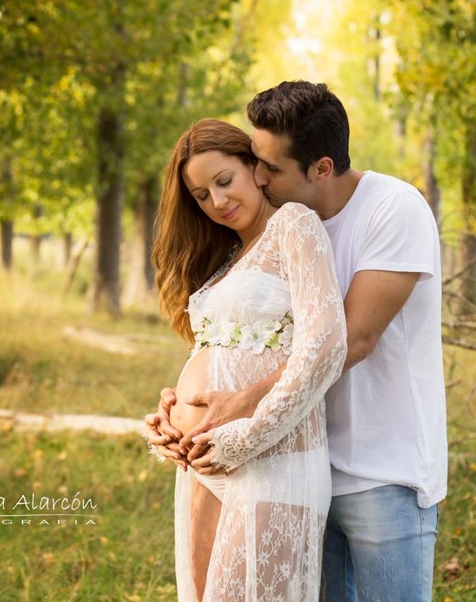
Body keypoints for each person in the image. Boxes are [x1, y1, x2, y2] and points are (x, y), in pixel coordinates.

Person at [148, 81, 447, 602]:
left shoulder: (392, 209)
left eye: (270, 168)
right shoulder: (268, 228)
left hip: (382, 466)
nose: (259, 178)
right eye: (255, 162)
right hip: (304, 452)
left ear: (321, 168)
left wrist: (239, 406)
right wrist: (183, 407)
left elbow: (351, 339)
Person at [147, 118, 348, 601]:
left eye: (224, 181)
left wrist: (248, 436)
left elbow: (325, 345)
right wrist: (170, 413)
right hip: (204, 462)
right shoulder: (230, 256)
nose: (217, 202)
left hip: (273, 459)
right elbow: (217, 352)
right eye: (201, 195)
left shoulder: (293, 226)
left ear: (254, 167)